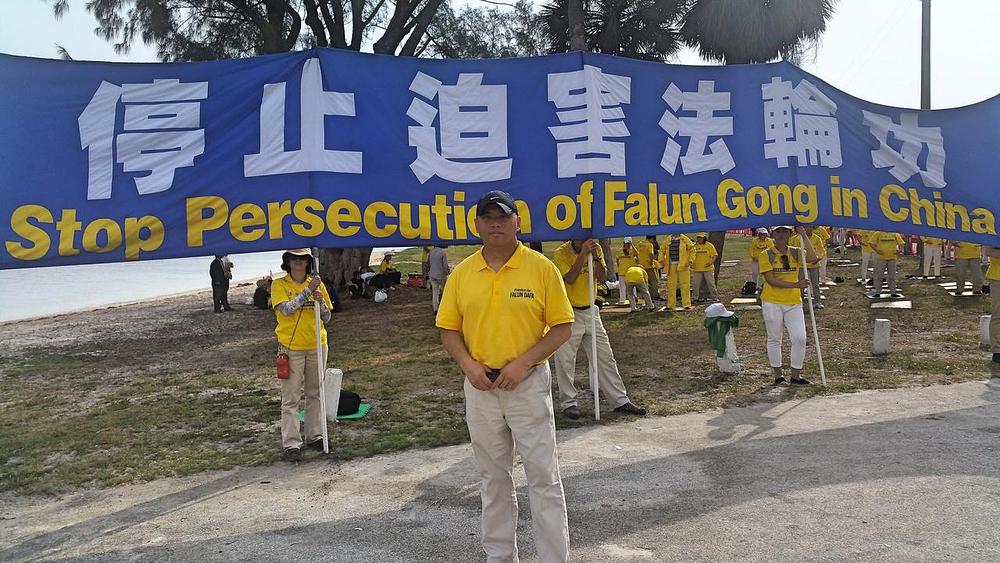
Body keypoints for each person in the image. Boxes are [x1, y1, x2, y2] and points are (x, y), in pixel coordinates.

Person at [436, 190, 573, 563]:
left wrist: (523, 363)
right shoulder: (463, 273)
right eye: (487, 217)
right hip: (481, 389)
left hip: (526, 386)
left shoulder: (541, 268)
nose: (495, 223)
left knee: (543, 478)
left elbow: (562, 327)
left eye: (503, 216)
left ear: (518, 222)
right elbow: (449, 329)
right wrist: (469, 366)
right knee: (493, 479)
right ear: (477, 224)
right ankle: (499, 557)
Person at [552, 239, 647, 420]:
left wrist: (595, 258)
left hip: (591, 310)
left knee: (605, 356)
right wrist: (582, 255)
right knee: (565, 360)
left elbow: (602, 278)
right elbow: (570, 279)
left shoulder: (596, 248)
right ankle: (569, 403)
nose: (587, 239)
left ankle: (619, 400)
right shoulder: (561, 253)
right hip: (569, 312)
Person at [271, 248, 333, 462]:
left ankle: (314, 434)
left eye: (302, 259)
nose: (298, 262)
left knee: (315, 392)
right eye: (294, 259)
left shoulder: (317, 284)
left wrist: (320, 300)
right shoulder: (279, 284)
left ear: (308, 262)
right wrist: (308, 292)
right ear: (287, 262)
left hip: (317, 344)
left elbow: (327, 317)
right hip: (291, 347)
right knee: (291, 397)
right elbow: (286, 309)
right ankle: (291, 443)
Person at [759, 226, 818, 385]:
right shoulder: (766, 254)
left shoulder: (795, 252)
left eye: (785, 231)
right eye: (778, 232)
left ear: (790, 234)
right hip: (772, 301)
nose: (781, 235)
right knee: (774, 339)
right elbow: (770, 280)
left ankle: (795, 376)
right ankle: (778, 376)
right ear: (772, 234)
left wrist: (804, 235)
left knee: (800, 338)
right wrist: (795, 285)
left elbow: (813, 258)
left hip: (793, 303)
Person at [790, 227, 825, 308]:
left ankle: (817, 301)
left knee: (815, 284)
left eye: (808, 227)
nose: (806, 229)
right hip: (801, 265)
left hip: (814, 265)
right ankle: (800, 302)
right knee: (801, 284)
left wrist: (818, 258)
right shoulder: (795, 239)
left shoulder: (817, 238)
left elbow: (822, 251)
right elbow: (791, 251)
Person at [660, 233, 695, 310]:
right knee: (671, 285)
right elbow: (662, 250)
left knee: (685, 284)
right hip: (671, 265)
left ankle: (686, 304)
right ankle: (670, 305)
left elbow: (692, 249)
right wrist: (661, 260)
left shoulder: (685, 239)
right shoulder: (668, 239)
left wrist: (690, 260)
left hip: (683, 265)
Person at [866, 231, 904, 296]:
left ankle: (893, 292)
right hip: (881, 258)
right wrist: (877, 251)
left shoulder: (895, 234)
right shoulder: (878, 233)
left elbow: (901, 243)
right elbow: (871, 243)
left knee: (892, 276)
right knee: (879, 276)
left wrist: (899, 250)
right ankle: (878, 292)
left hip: (892, 257)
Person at [691, 233, 719, 303]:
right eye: (698, 237)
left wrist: (711, 262)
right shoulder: (694, 246)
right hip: (697, 268)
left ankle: (714, 297)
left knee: (711, 283)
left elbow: (714, 255)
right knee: (695, 285)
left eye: (700, 238)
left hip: (708, 268)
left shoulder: (709, 245)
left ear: (704, 238)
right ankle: (695, 298)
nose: (699, 239)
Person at [615, 238, 639, 304]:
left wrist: (632, 245)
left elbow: (637, 254)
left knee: (632, 286)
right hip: (622, 272)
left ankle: (634, 298)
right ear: (624, 244)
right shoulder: (620, 251)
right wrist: (619, 267)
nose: (628, 245)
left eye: (629, 244)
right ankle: (622, 300)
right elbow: (617, 260)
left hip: (630, 272)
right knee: (622, 287)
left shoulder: (632, 251)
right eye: (626, 244)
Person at [986, 247, 1000, 363]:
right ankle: (997, 350)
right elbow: (989, 251)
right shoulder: (994, 230)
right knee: (998, 315)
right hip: (997, 278)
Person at [635, 235, 659, 300]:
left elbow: (636, 253)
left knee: (645, 282)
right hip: (649, 266)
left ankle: (645, 295)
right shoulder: (649, 245)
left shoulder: (639, 244)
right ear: (651, 239)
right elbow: (651, 254)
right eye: (653, 240)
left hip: (641, 266)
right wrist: (651, 262)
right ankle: (654, 295)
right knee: (654, 281)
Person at [427, 245, 450, 313]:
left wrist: (427, 272)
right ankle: (444, 308)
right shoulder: (442, 252)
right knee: (445, 292)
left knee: (435, 292)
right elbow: (445, 265)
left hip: (432, 275)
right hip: (441, 275)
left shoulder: (430, 252)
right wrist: (447, 273)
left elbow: (428, 264)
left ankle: (435, 309)